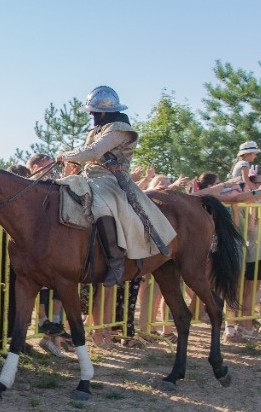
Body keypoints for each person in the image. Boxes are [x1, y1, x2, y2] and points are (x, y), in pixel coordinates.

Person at [55, 86, 177, 288]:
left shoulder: (120, 129)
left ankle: (115, 261)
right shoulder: (96, 130)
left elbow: (94, 152)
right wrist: (70, 165)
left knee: (100, 206)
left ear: (104, 111)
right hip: (89, 176)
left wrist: (65, 155)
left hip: (110, 179)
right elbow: (85, 155)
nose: (92, 115)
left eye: (94, 111)